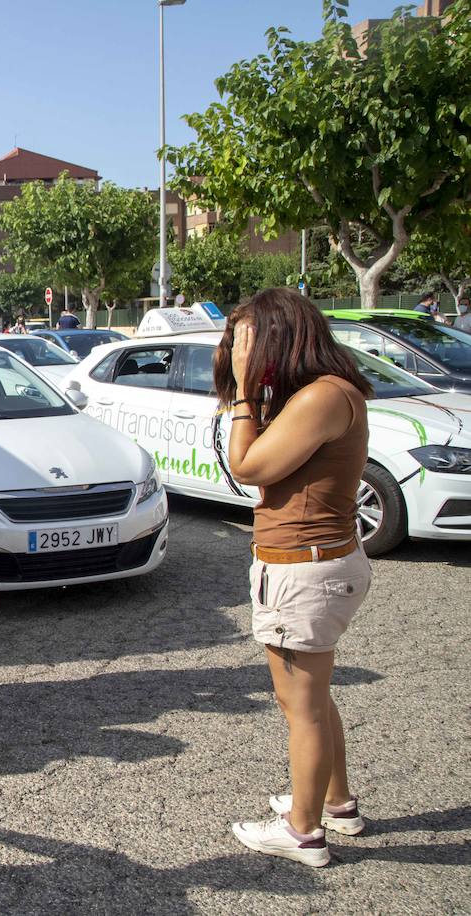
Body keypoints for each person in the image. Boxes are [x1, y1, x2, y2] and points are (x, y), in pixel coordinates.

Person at [215, 288, 375, 868]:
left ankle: (303, 832)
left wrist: (243, 394)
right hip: (315, 562)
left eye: (247, 340)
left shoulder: (324, 398)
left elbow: (248, 465)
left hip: (304, 570)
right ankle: (335, 802)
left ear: (281, 337)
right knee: (313, 696)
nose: (238, 350)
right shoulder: (326, 393)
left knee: (299, 706)